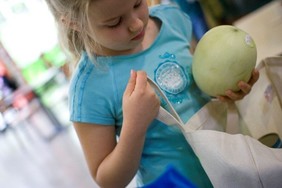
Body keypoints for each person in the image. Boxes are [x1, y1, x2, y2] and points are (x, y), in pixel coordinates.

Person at [44, 0, 259, 187]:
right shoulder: (89, 88)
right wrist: (134, 125)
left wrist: (224, 91)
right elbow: (107, 179)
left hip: (233, 165)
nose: (136, 23)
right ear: (73, 21)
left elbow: (195, 87)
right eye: (114, 22)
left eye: (138, 3)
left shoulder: (172, 21)